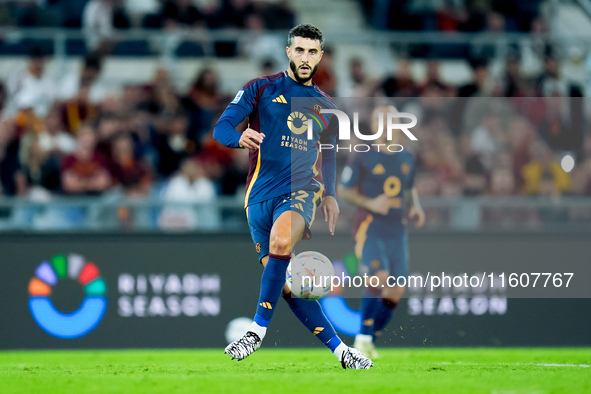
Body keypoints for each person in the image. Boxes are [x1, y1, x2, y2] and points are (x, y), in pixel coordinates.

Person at [213, 24, 373, 369]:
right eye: (299, 50)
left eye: (312, 51)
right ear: (289, 52)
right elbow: (222, 127)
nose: (305, 57)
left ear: (320, 56)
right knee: (286, 285)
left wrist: (328, 194)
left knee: (282, 241)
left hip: (301, 191)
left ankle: (255, 333)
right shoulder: (260, 88)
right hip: (258, 198)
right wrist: (238, 139)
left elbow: (328, 152)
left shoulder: (325, 106)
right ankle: (342, 352)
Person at [339, 106, 425, 359]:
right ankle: (363, 338)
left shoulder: (407, 156)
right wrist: (371, 203)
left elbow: (409, 187)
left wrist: (416, 207)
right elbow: (345, 190)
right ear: (375, 125)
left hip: (397, 228)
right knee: (379, 277)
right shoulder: (363, 155)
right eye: (381, 120)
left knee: (396, 288)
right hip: (370, 225)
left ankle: (370, 339)